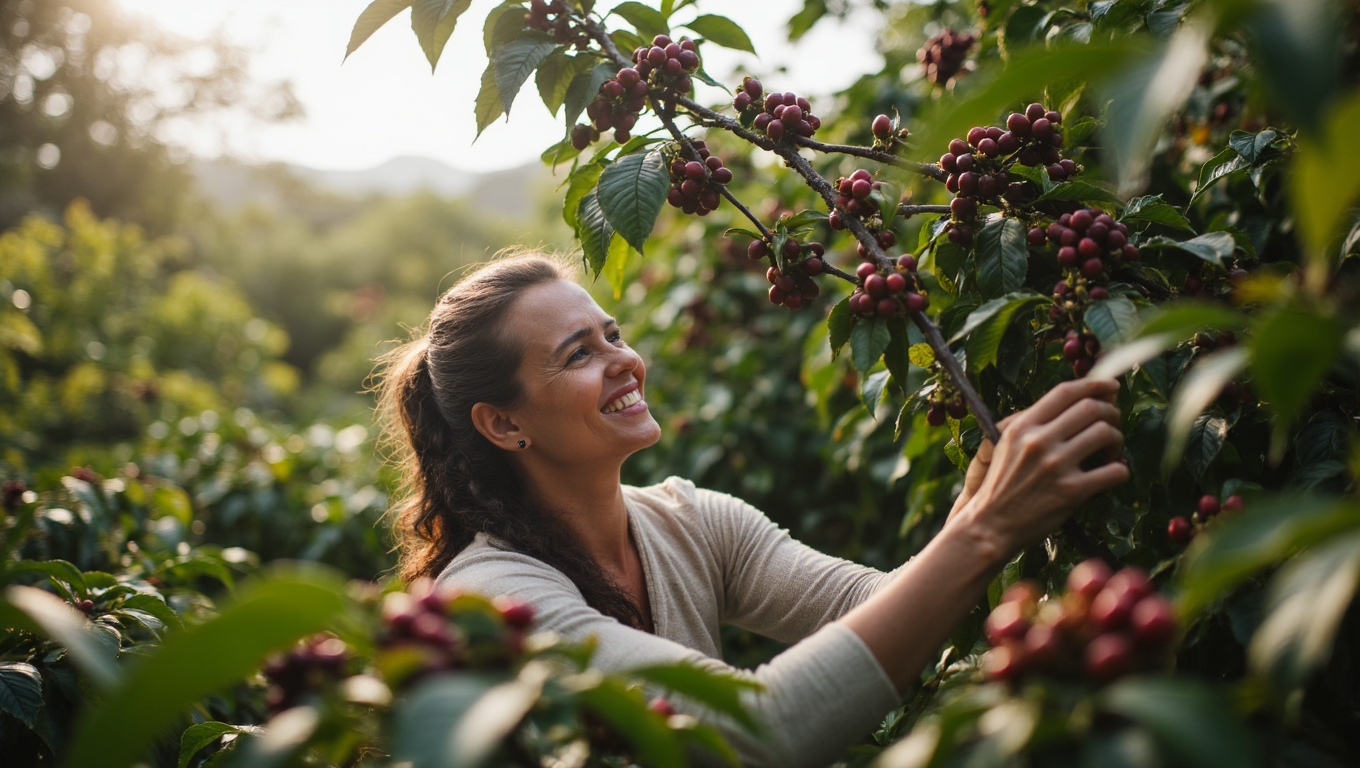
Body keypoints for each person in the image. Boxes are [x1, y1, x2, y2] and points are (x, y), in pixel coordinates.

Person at [375, 254, 1128, 767]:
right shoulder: (494, 602)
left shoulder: (693, 523)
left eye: (615, 334)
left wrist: (980, 501)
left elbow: (878, 604)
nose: (625, 361)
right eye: (578, 354)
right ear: (503, 424)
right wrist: (989, 527)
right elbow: (763, 726)